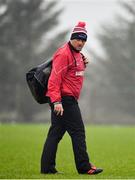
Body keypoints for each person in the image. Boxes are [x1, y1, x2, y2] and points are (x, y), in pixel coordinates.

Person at [41, 22, 103, 175]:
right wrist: (56, 101)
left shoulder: (76, 53)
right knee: (78, 132)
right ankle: (84, 167)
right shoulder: (64, 54)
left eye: (84, 40)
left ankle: (47, 168)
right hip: (64, 99)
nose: (81, 42)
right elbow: (54, 79)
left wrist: (84, 63)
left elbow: (74, 72)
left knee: (55, 133)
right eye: (78, 39)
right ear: (72, 38)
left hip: (65, 99)